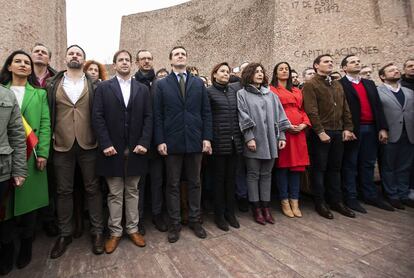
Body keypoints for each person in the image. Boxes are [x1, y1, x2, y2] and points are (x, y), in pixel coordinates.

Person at [46, 45, 104, 259]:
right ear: (65, 57)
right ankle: (65, 234)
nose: (74, 56)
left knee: (93, 188)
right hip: (61, 144)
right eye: (71, 53)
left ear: (84, 59)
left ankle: (97, 231)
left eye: (78, 54)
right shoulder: (53, 84)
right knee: (63, 191)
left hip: (89, 143)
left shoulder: (94, 85)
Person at [92, 50, 152, 253]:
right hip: (111, 150)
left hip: (137, 149)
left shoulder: (142, 89)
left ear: (132, 64)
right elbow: (97, 117)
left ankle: (133, 229)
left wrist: (144, 142)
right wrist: (105, 143)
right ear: (114, 64)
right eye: (121, 60)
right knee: (115, 193)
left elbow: (148, 118)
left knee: (133, 191)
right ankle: (115, 232)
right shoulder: (103, 88)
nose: (125, 63)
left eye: (127, 60)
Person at [154, 46, 212, 243]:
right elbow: (158, 115)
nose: (181, 56)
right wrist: (160, 140)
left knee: (195, 182)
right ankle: (174, 223)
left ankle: (195, 220)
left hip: (195, 140)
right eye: (177, 54)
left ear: (187, 59)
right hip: (172, 142)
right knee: (172, 184)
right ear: (170, 60)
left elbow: (206, 113)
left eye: (183, 54)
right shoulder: (162, 85)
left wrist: (207, 137)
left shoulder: (198, 83)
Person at [0, 50, 51, 273]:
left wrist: (43, 153)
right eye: (17, 61)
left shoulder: (39, 94)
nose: (23, 65)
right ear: (9, 66)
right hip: (5, 155)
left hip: (32, 155)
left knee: (29, 205)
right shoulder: (3, 92)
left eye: (26, 62)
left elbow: (45, 123)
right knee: (5, 206)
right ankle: (7, 246)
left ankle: (26, 245)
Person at [303, 54, 356, 219]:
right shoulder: (311, 85)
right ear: (316, 66)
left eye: (332, 62)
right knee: (319, 169)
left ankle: (337, 201)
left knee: (335, 168)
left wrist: (348, 128)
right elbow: (311, 110)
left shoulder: (337, 84)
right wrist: (320, 131)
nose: (330, 63)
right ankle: (320, 202)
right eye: (326, 61)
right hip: (322, 133)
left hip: (338, 132)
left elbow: (345, 107)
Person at [237, 62, 290, 225]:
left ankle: (266, 208)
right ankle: (256, 208)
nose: (260, 74)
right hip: (254, 140)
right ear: (249, 74)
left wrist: (281, 137)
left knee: (267, 175)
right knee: (253, 175)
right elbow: (243, 116)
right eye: (256, 72)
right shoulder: (242, 94)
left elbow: (280, 116)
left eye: (261, 71)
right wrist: (249, 138)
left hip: (271, 140)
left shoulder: (271, 95)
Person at [339, 55, 393, 212]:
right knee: (350, 164)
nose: (357, 63)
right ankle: (351, 197)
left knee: (368, 163)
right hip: (353, 130)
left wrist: (382, 128)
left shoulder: (369, 84)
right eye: (352, 62)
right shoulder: (340, 85)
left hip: (371, 128)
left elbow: (377, 107)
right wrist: (346, 128)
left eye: (358, 61)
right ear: (344, 68)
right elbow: (341, 109)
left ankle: (369, 195)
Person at [269, 62, 310, 218]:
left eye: (287, 69)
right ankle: (284, 200)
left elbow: (302, 110)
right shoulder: (272, 90)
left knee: (297, 169)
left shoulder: (297, 90)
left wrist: (304, 124)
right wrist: (286, 125)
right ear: (275, 72)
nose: (284, 71)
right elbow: (273, 111)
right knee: (283, 168)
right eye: (281, 69)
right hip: (283, 133)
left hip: (299, 133)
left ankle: (295, 200)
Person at [134, 49, 167, 234]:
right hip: (138, 142)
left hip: (156, 142)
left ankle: (157, 215)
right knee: (139, 184)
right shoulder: (131, 83)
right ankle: (138, 219)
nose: (146, 61)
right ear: (137, 62)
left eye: (149, 58)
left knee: (157, 181)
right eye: (142, 59)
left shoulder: (160, 83)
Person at [207, 62, 243, 231]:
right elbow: (206, 117)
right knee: (219, 180)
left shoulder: (234, 91)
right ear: (214, 74)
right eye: (222, 71)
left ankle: (231, 213)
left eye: (227, 71)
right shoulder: (209, 92)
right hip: (218, 143)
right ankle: (219, 215)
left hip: (234, 142)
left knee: (231, 180)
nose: (225, 74)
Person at [30, 43, 59, 237]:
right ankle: (28, 225)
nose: (40, 54)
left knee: (50, 180)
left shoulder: (56, 80)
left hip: (51, 136)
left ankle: (48, 219)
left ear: (49, 59)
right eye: (36, 51)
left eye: (43, 52)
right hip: (26, 136)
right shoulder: (21, 78)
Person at [377, 63, 414, 209]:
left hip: (409, 133)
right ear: (382, 76)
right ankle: (392, 195)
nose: (396, 71)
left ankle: (403, 194)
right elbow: (377, 113)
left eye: (396, 69)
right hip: (389, 133)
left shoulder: (409, 92)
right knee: (388, 166)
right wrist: (382, 128)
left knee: (405, 165)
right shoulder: (377, 91)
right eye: (391, 70)